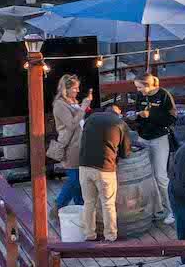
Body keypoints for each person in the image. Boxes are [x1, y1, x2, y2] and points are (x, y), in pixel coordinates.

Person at [128, 71, 177, 224]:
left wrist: (150, 115)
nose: (138, 91)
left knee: (161, 176)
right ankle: (158, 208)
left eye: (140, 87)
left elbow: (172, 118)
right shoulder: (141, 96)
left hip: (159, 138)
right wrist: (135, 117)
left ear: (148, 85)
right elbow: (139, 114)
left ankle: (173, 211)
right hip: (143, 138)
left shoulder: (163, 95)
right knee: (148, 176)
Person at [78, 103, 131, 242]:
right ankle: (110, 236)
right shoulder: (120, 123)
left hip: (84, 166)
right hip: (105, 169)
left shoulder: (91, 118)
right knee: (107, 203)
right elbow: (125, 153)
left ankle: (89, 235)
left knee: (88, 203)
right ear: (117, 113)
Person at [48, 74, 89, 211]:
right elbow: (71, 125)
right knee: (74, 179)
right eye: (75, 88)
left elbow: (79, 122)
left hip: (80, 145)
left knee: (79, 180)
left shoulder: (73, 101)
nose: (78, 90)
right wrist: (83, 108)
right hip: (70, 146)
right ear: (66, 89)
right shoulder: (60, 105)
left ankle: (80, 208)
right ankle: (59, 205)